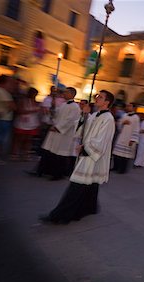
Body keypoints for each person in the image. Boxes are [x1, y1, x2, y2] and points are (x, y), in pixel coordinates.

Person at [39, 90, 115, 224]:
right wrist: (84, 115)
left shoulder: (108, 119)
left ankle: (60, 216)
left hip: (92, 156)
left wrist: (85, 148)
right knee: (90, 184)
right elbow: (82, 129)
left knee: (77, 185)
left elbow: (102, 140)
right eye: (97, 96)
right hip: (90, 155)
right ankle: (88, 208)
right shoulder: (95, 114)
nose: (96, 98)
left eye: (101, 97)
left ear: (107, 102)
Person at [35, 87, 80, 180]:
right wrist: (52, 109)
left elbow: (70, 121)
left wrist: (58, 127)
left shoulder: (75, 107)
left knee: (60, 154)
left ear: (72, 94)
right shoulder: (63, 104)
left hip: (63, 134)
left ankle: (57, 174)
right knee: (49, 151)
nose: (64, 94)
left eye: (66, 92)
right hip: (56, 131)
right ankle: (42, 171)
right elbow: (57, 116)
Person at [10, 87, 40, 161]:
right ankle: (15, 154)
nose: (35, 95)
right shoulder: (23, 101)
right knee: (19, 139)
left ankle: (26, 154)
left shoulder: (35, 101)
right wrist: (32, 110)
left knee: (29, 139)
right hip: (22, 122)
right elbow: (19, 110)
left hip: (32, 123)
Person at [112, 102, 140, 173]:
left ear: (134, 108)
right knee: (117, 154)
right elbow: (119, 123)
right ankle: (115, 167)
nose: (128, 107)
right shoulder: (124, 115)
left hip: (129, 137)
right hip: (122, 135)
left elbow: (136, 129)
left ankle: (122, 169)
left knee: (125, 156)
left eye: (130, 106)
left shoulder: (136, 118)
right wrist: (122, 123)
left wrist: (133, 139)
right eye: (127, 106)